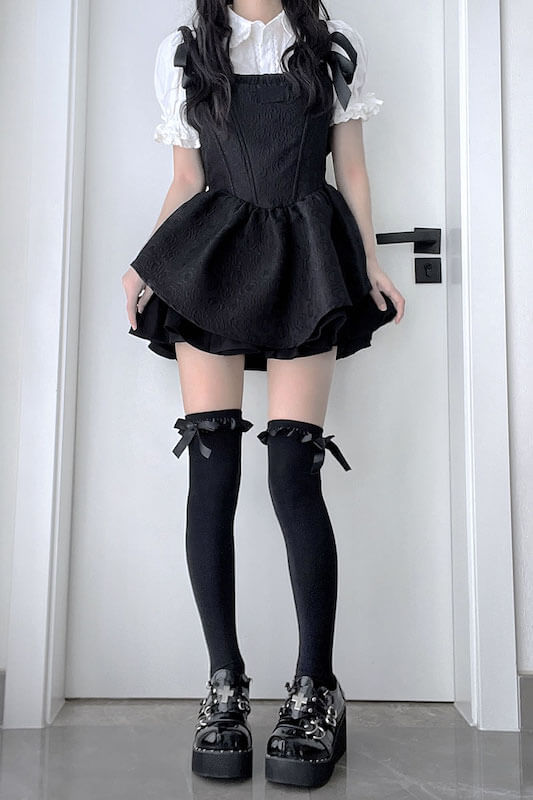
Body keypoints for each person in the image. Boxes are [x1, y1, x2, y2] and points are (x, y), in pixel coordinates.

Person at [122, 0, 405, 788]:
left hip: (307, 256)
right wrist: (146, 264)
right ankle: (224, 684)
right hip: (209, 257)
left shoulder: (331, 46)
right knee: (211, 471)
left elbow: (350, 170)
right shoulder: (186, 51)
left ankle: (315, 688)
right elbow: (186, 178)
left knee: (292, 475)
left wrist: (368, 263)